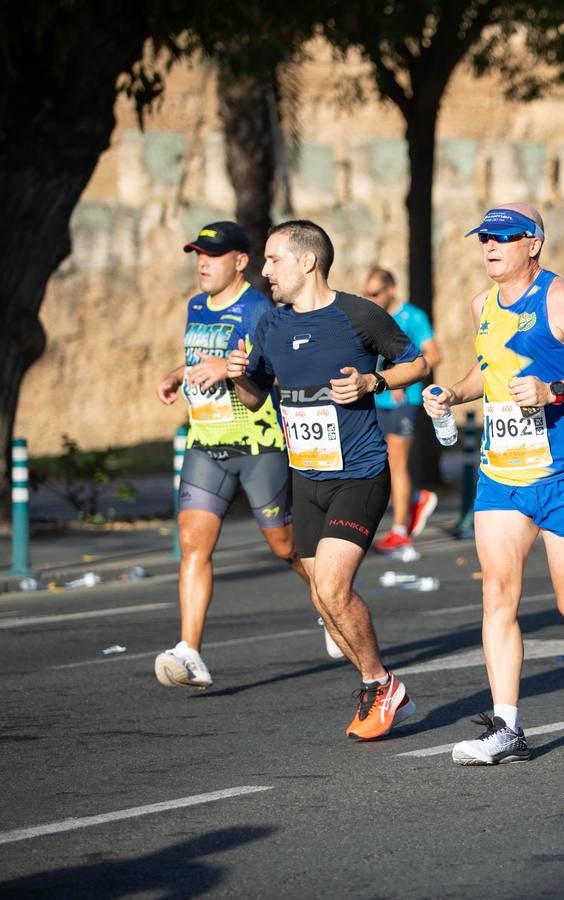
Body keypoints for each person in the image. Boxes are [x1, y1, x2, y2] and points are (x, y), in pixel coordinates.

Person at [422, 203, 564, 767]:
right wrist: (453, 393)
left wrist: (554, 390)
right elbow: (491, 369)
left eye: (503, 237)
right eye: (484, 238)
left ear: (534, 244)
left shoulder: (559, 298)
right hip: (501, 473)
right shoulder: (481, 304)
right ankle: (507, 727)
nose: (490, 247)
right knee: (497, 596)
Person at [225, 219, 428, 740]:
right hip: (305, 478)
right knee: (320, 595)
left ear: (308, 261)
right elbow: (255, 397)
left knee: (334, 591)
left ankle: (383, 685)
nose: (265, 271)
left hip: (358, 474)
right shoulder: (272, 324)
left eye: (273, 260)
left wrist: (372, 380)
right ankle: (375, 682)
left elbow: (417, 363)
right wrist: (237, 376)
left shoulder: (358, 315)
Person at [152, 221, 314, 690]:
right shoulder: (197, 305)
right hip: (205, 443)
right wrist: (176, 372)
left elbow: (282, 370)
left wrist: (229, 368)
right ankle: (190, 651)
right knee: (193, 546)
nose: (202, 263)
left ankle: (331, 601)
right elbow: (204, 355)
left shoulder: (259, 309)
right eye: (198, 254)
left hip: (258, 444)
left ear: (241, 261)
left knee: (284, 546)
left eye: (213, 255)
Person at [363, 268, 444, 552]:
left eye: (375, 293)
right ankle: (415, 499)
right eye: (366, 294)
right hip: (376, 400)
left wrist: (401, 376)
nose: (370, 299)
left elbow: (433, 355)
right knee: (381, 464)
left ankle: (399, 531)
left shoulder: (413, 317)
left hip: (403, 402)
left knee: (397, 463)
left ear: (391, 290)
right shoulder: (371, 317)